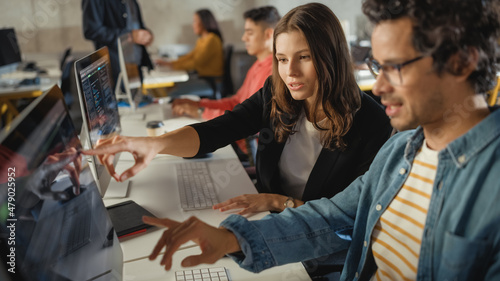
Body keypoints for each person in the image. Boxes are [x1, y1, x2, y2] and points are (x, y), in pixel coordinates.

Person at [137, 0, 500, 280]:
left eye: (396, 67)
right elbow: (334, 218)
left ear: (462, 62)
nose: (381, 86)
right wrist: (232, 239)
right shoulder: (402, 150)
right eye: (379, 67)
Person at [85, 3, 391, 278]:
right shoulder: (278, 92)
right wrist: (155, 145)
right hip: (264, 224)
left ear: (331, 56)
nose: (290, 72)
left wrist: (276, 202)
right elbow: (220, 129)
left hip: (314, 255)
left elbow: (349, 223)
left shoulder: (372, 124)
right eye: (282, 59)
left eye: (304, 57)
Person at [171, 6, 280, 120]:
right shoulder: (257, 65)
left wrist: (201, 112)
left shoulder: (271, 73)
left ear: (268, 35)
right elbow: (237, 102)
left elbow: (248, 120)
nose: (243, 38)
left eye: (250, 33)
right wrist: (199, 104)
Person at [82, 0, 154, 87]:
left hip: (135, 67)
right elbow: (91, 31)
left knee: (136, 98)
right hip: (115, 70)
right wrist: (129, 35)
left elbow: (134, 23)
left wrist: (145, 35)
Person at [157, 9, 224, 98]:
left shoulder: (211, 39)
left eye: (195, 21)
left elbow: (196, 63)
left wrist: (173, 66)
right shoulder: (201, 40)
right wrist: (170, 63)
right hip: (204, 79)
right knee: (170, 88)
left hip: (211, 82)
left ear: (204, 22)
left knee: (171, 92)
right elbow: (189, 57)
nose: (193, 25)